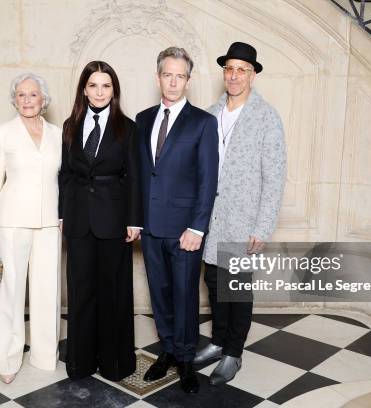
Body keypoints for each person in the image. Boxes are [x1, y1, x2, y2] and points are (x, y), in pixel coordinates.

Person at [195, 42, 287, 385]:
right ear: (224, 73)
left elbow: (274, 176)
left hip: (243, 219)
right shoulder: (210, 112)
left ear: (253, 74)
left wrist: (262, 226)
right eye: (229, 69)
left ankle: (233, 353)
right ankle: (218, 342)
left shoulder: (266, 117)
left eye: (242, 70)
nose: (234, 76)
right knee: (213, 283)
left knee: (235, 289)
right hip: (210, 217)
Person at [136, 46, 218, 394]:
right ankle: (167, 350)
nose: (173, 81)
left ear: (188, 79)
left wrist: (197, 227)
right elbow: (140, 176)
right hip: (151, 228)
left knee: (185, 296)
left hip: (185, 231)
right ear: (158, 78)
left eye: (179, 75)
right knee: (160, 294)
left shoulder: (203, 122)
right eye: (167, 74)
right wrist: (136, 220)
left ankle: (186, 359)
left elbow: (207, 180)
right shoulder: (142, 119)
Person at [59, 61, 142, 381]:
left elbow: (134, 178)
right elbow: (65, 174)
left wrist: (135, 221)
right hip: (78, 220)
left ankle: (115, 363)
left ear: (114, 90)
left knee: (114, 293)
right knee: (81, 292)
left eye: (106, 86)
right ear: (84, 89)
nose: (99, 92)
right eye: (93, 85)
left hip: (115, 221)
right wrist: (63, 212)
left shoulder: (128, 127)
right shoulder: (70, 125)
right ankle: (80, 362)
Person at [0, 73, 62, 384]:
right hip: (11, 222)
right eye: (21, 95)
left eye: (33, 95)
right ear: (14, 99)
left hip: (49, 223)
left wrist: (64, 215)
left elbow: (63, 180)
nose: (27, 100)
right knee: (11, 292)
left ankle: (45, 356)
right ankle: (6, 359)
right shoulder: (2, 133)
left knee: (48, 291)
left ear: (43, 99)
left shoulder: (58, 134)